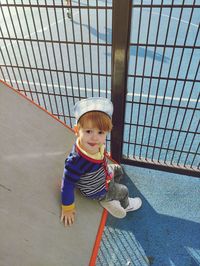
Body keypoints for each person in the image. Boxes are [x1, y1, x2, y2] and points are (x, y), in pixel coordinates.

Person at [60, 97, 142, 226]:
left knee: (118, 169)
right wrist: (67, 209)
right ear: (77, 131)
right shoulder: (76, 162)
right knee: (124, 190)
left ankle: (111, 196)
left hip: (103, 175)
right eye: (88, 131)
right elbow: (67, 185)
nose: (94, 137)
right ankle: (123, 204)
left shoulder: (92, 145)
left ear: (106, 133)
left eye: (100, 132)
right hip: (97, 190)